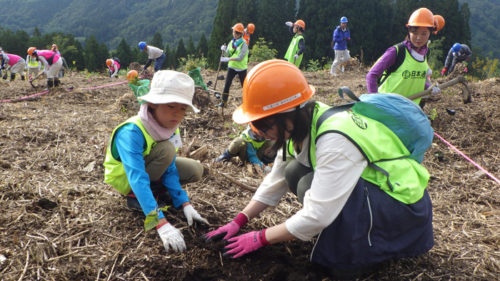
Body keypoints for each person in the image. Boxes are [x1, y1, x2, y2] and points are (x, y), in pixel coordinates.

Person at [203, 60, 434, 279]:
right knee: (293, 171)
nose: (260, 133)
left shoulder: (334, 139)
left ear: (287, 114)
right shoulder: (303, 124)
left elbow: (318, 215)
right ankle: (345, 235)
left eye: (263, 124)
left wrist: (260, 238)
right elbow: (275, 180)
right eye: (256, 125)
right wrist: (239, 221)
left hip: (400, 209)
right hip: (374, 194)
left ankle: (364, 251)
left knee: (337, 267)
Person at [103, 70, 208, 253]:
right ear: (153, 104)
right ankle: (136, 198)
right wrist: (160, 223)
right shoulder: (131, 132)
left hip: (150, 168)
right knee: (166, 150)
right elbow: (136, 176)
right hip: (127, 179)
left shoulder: (170, 127)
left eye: (182, 109)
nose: (177, 114)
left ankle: (156, 191)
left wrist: (184, 203)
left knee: (195, 169)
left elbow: (170, 168)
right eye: (170, 106)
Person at [366, 8, 441, 105]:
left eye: (424, 33)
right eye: (415, 32)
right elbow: (371, 75)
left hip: (409, 109)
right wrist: (375, 102)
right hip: (387, 105)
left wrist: (429, 87)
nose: (419, 38)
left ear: (430, 34)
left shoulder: (425, 53)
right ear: (409, 31)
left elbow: (416, 79)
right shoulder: (397, 52)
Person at [218, 23, 249, 108]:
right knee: (227, 84)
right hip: (232, 67)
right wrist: (224, 50)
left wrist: (228, 59)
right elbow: (228, 53)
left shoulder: (244, 44)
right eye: (234, 32)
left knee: (245, 86)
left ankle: (248, 103)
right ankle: (223, 102)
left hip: (241, 68)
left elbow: (240, 58)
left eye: (236, 33)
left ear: (240, 34)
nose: (234, 34)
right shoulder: (231, 42)